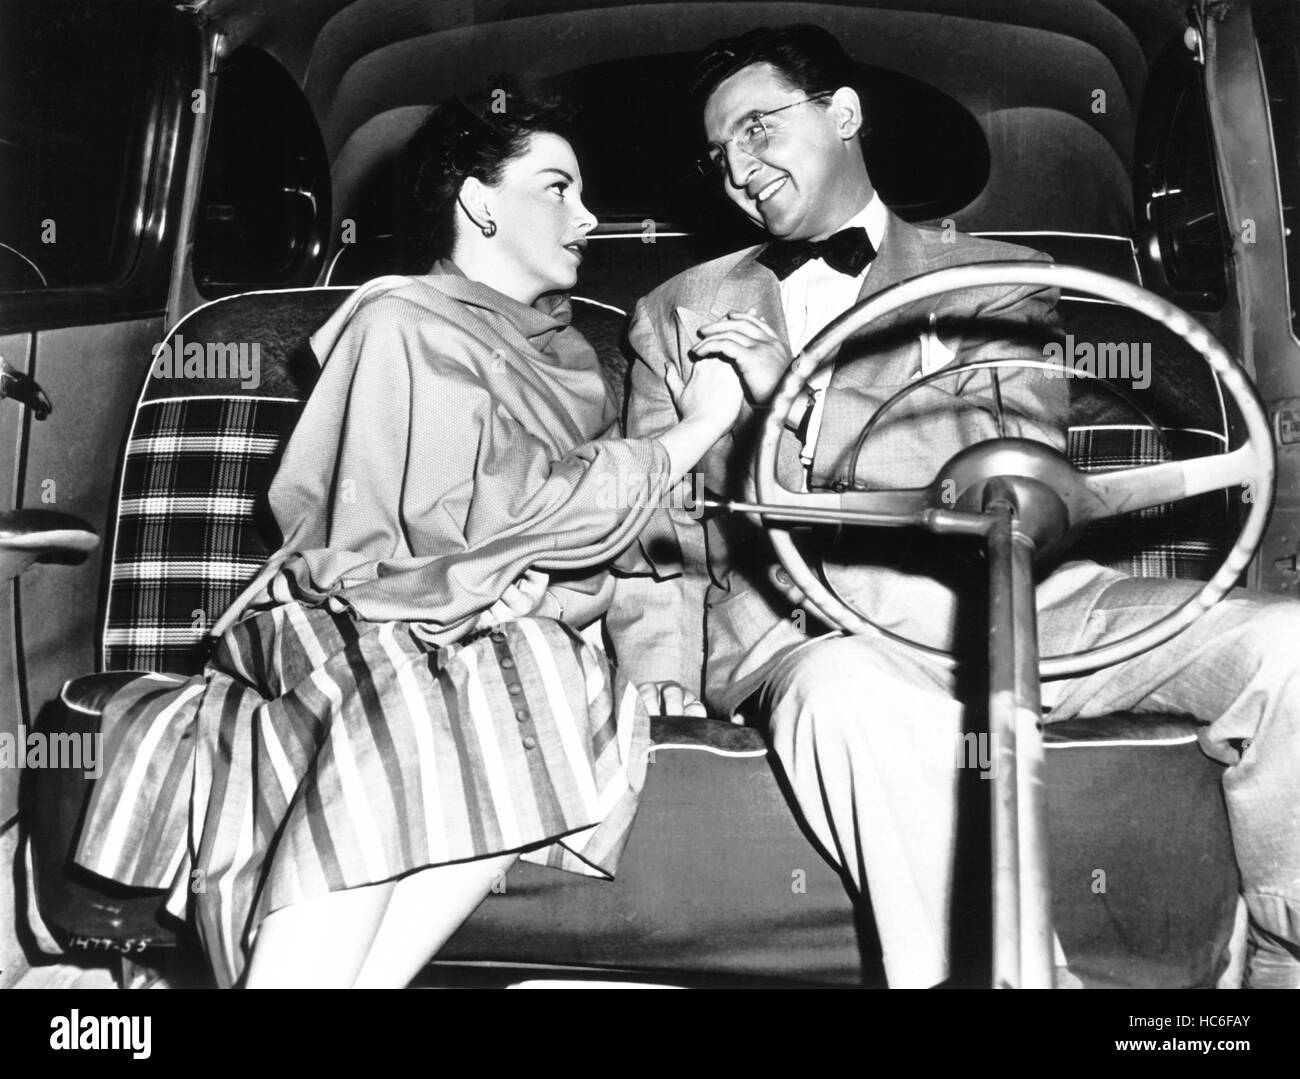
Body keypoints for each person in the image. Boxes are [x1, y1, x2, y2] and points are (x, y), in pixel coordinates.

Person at [609, 24, 1300, 988]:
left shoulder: (1001, 278)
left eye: (760, 129)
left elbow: (1007, 476)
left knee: (1287, 647)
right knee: (851, 698)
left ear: (843, 114)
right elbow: (659, 527)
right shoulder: (676, 311)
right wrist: (654, 675)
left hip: (1024, 605)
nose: (739, 167)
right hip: (809, 631)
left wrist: (800, 400)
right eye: (720, 152)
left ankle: (1280, 955)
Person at [73, 87, 742, 988]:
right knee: (450, 689)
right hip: (366, 610)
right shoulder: (398, 320)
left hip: (506, 633)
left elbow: (607, 546)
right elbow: (455, 541)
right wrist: (693, 430)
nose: (587, 215)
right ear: (477, 202)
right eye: (557, 187)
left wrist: (548, 588)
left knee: (538, 672)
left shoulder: (580, 360)